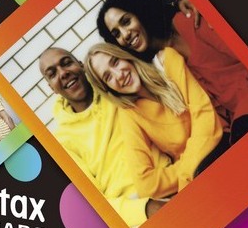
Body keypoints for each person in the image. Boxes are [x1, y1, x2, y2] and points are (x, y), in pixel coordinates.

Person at [96, 0, 248, 141]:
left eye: (126, 21)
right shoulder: (161, 67)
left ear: (140, 11)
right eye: (116, 34)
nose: (125, 35)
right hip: (237, 124)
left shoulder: (189, 19)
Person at [38, 47, 168, 228]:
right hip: (135, 212)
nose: (63, 73)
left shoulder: (114, 87)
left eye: (66, 63)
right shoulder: (61, 141)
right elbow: (93, 202)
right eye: (52, 74)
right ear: (52, 88)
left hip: (171, 178)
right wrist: (145, 208)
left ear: (81, 65)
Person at [85, 42, 223, 200]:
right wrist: (188, 170)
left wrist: (186, 173)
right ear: (108, 89)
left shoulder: (167, 61)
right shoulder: (130, 113)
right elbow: (146, 184)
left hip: (222, 149)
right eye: (108, 77)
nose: (119, 75)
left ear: (126, 57)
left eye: (115, 62)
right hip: (196, 178)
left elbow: (205, 118)